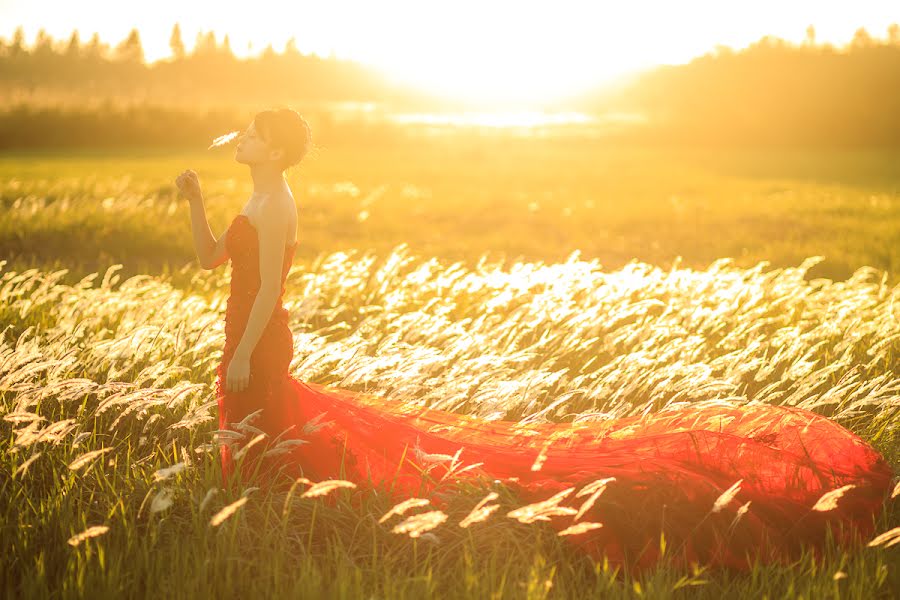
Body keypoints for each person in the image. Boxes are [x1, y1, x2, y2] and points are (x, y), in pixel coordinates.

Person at [175, 108, 894, 571]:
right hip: (243, 331)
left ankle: (283, 524)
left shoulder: (279, 203)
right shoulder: (254, 197)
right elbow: (213, 259)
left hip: (259, 337)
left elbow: (270, 289)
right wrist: (198, 203)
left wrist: (242, 352)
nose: (240, 138)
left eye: (251, 132)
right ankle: (270, 518)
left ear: (274, 148)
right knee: (264, 434)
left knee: (270, 423)